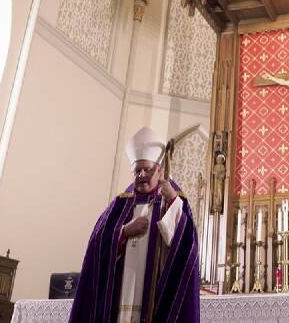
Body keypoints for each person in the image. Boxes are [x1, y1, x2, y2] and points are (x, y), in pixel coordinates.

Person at [69, 126, 200, 323]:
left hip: (156, 299)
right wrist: (123, 233)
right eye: (137, 170)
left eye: (147, 169)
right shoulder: (120, 203)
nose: (141, 175)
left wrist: (172, 201)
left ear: (159, 170)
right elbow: (96, 246)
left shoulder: (174, 199)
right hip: (119, 299)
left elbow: (187, 244)